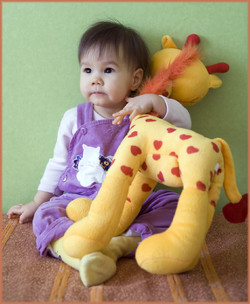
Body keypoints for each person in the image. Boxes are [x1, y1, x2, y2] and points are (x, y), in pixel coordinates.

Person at [7, 20, 191, 286]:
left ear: (135, 79)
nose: (95, 78)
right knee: (45, 215)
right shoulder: (74, 118)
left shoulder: (143, 117)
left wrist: (157, 102)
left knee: (174, 205)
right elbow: (59, 163)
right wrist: (36, 202)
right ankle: (77, 252)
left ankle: (117, 243)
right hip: (77, 200)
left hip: (128, 204)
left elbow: (185, 125)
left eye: (108, 70)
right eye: (87, 69)